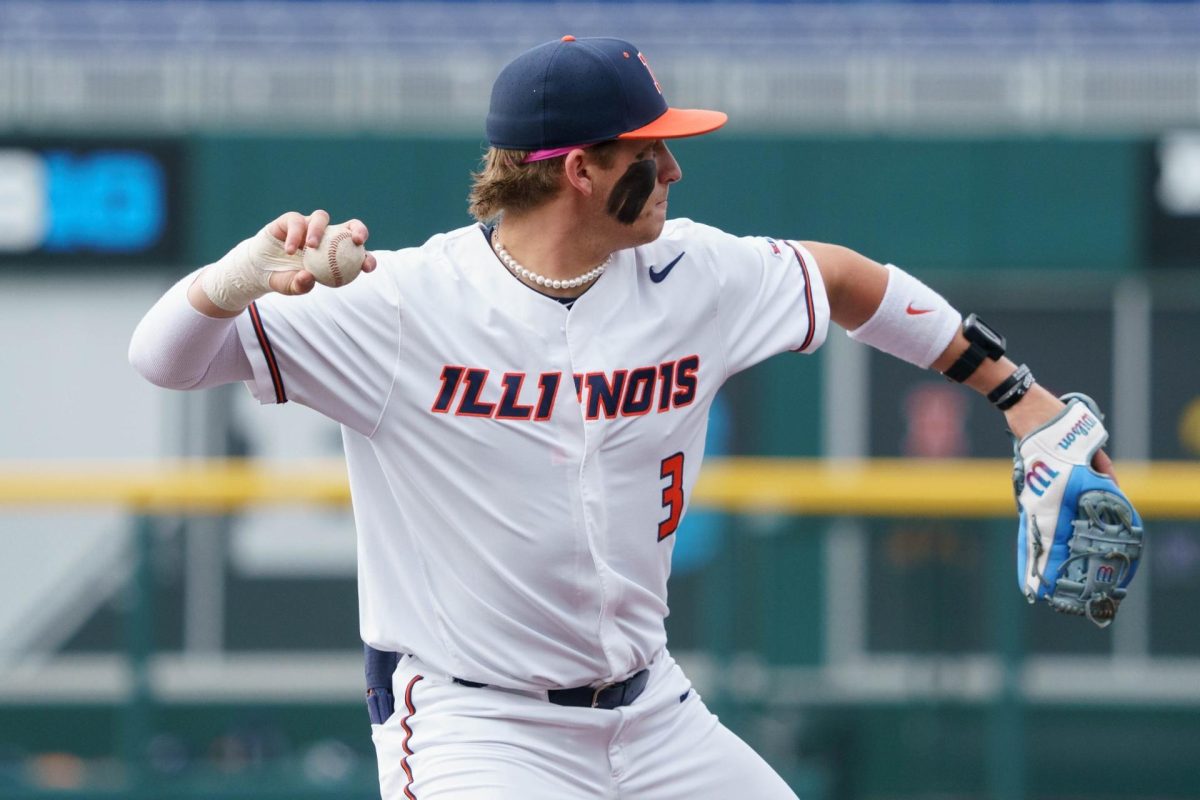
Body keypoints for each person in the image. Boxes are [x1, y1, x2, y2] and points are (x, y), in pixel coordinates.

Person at [130, 35, 1123, 800]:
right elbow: (162, 359)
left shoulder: (693, 272)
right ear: (579, 169)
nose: (677, 171)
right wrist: (226, 284)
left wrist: (1022, 400)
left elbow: (847, 279)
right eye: (655, 149)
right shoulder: (401, 304)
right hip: (481, 725)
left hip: (652, 711)